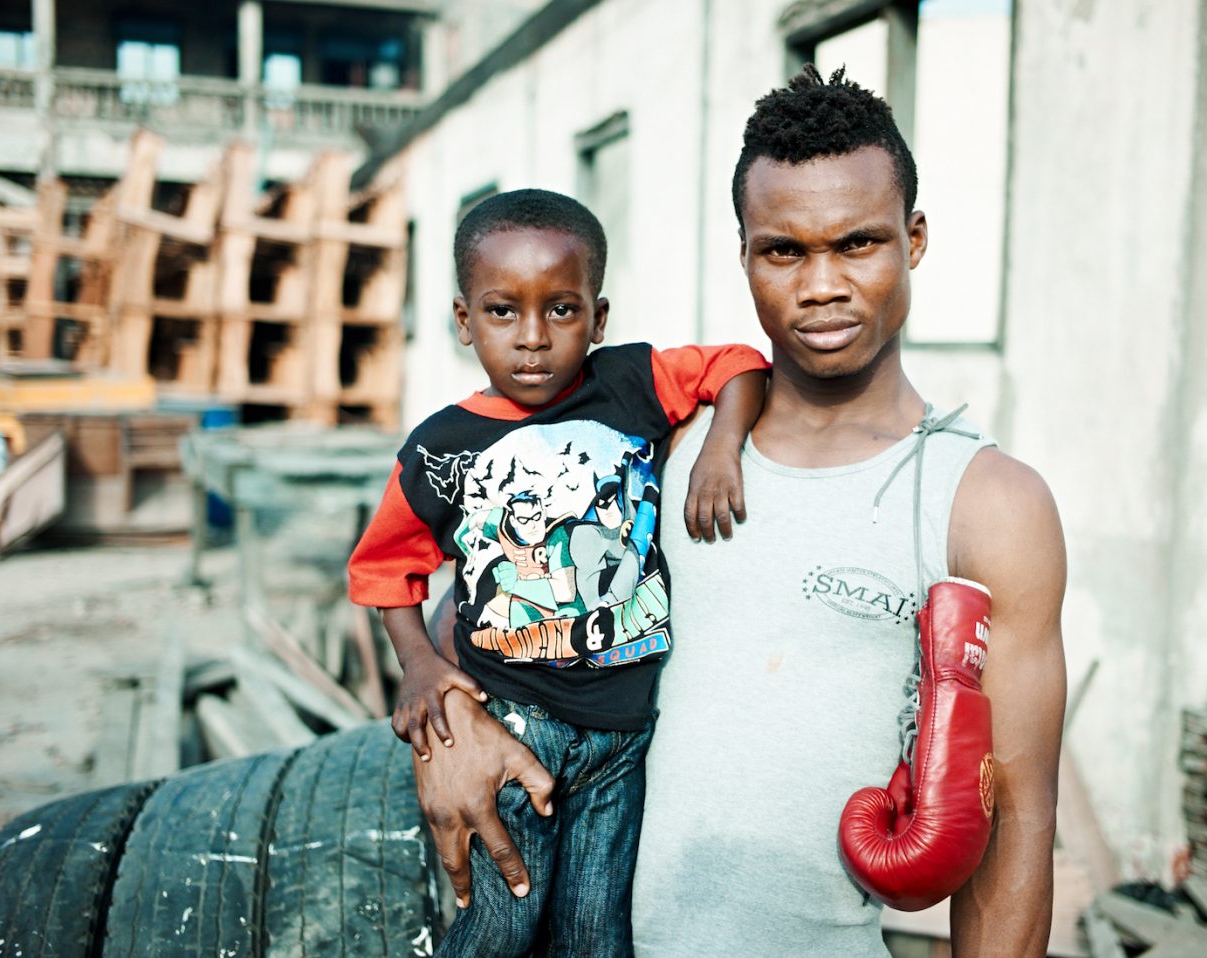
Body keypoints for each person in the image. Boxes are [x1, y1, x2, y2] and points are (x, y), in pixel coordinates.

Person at [411, 67, 1067, 957]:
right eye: (785, 250)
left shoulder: (986, 503)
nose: (823, 283)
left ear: (914, 240)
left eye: (859, 245)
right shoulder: (659, 449)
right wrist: (448, 738)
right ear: (747, 256)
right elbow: (472, 616)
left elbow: (1014, 830)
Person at [347, 188, 769, 957]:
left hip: (622, 736)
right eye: (504, 311)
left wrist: (721, 445)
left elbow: (740, 364)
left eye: (562, 311)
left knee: (594, 936)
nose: (533, 339)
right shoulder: (441, 448)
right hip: (515, 720)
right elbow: (384, 568)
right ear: (464, 319)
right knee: (506, 923)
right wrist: (417, 664)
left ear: (599, 318)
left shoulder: (633, 383)